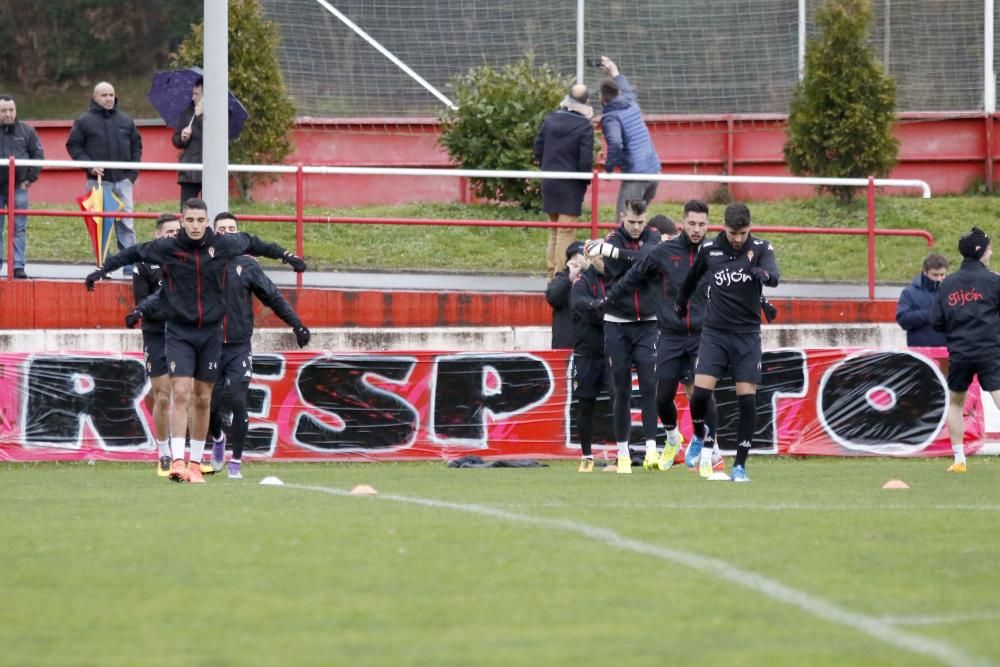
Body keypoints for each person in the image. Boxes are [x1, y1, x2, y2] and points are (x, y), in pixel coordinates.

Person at [85, 198, 307, 483]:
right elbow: (133, 253)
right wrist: (101, 270)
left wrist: (288, 257)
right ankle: (177, 461)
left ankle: (195, 463)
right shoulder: (169, 247)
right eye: (190, 220)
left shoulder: (223, 244)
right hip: (179, 331)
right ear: (182, 220)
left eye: (200, 220)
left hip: (212, 332)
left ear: (206, 221)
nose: (195, 226)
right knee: (180, 392)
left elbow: (255, 243)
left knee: (203, 398)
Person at [605, 200, 720, 475]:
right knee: (661, 397)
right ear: (683, 223)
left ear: (708, 225)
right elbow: (634, 274)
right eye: (692, 223)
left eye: (702, 224)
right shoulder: (664, 252)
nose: (696, 229)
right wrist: (607, 300)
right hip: (669, 334)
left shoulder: (715, 253)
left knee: (702, 393)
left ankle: (710, 454)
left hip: (702, 335)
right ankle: (671, 438)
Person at [676, 202, 779, 483]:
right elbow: (690, 280)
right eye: (733, 233)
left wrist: (765, 276)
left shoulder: (760, 248)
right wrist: (680, 303)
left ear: (750, 229)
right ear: (724, 227)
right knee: (699, 395)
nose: (737, 238)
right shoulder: (710, 251)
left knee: (747, 400)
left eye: (743, 233)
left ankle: (740, 466)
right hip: (715, 334)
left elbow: (774, 276)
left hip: (746, 336)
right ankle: (699, 436)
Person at [204, 211, 311, 479]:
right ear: (214, 233)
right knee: (209, 404)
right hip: (210, 344)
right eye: (222, 228)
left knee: (239, 401)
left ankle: (236, 462)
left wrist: (297, 325)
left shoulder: (248, 265)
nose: (227, 232)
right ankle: (217, 438)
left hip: (239, 346)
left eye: (232, 228)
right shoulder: (203, 263)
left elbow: (273, 297)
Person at [585, 198, 661, 473]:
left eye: (641, 222)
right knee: (621, 390)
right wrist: (620, 255)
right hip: (617, 322)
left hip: (648, 322)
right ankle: (623, 454)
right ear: (621, 218)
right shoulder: (611, 238)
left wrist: (612, 253)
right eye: (631, 222)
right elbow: (637, 268)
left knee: (650, 385)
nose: (637, 227)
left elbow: (650, 260)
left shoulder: (653, 235)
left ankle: (652, 450)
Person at [930, 228, 1000, 473]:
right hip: (990, 349)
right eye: (989, 247)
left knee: (956, 403)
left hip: (960, 351)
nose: (992, 251)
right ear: (980, 252)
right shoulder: (994, 280)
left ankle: (959, 460)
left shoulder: (947, 284)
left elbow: (936, 322)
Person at [66, 81, 142, 276]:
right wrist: (89, 166)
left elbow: (136, 146)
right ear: (94, 97)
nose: (109, 98)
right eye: (104, 95)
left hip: (123, 181)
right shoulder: (83, 121)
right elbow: (73, 146)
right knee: (101, 225)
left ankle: (129, 267)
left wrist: (132, 174)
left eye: (111, 94)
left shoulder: (126, 120)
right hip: (98, 182)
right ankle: (104, 267)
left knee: (126, 224)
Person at [125, 213, 181, 477]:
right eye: (168, 231)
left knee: (186, 394)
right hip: (157, 333)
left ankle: (187, 451)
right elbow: (143, 305)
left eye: (176, 231)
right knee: (163, 395)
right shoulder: (144, 264)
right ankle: (164, 452)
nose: (172, 235)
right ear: (157, 234)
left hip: (184, 333)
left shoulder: (189, 261)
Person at [534, 83, 594, 278]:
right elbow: (585, 160)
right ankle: (561, 275)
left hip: (550, 181)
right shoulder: (584, 126)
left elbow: (538, 148)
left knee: (554, 230)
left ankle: (552, 271)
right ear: (586, 101)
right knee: (566, 231)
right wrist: (585, 180)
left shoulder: (550, 119)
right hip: (570, 185)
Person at [598, 56, 661, 219]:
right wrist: (614, 70)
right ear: (618, 92)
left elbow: (616, 143)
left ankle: (622, 245)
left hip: (636, 175)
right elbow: (625, 88)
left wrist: (609, 169)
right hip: (653, 170)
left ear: (602, 98)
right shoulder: (630, 102)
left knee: (624, 221)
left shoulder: (611, 117)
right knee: (638, 220)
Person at [570, 252, 610, 472]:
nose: (607, 263)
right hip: (587, 352)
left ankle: (623, 453)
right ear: (592, 258)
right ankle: (586, 455)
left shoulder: (619, 278)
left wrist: (600, 307)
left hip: (613, 350)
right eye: (602, 258)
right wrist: (606, 306)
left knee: (620, 399)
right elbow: (584, 308)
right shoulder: (582, 282)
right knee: (586, 403)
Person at [0, 95, 44, 279]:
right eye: (3, 111)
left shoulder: (27, 131)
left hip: (19, 187)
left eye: (11, 110)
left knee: (19, 228)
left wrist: (29, 180)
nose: (8, 114)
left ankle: (18, 265)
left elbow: (38, 156)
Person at [897, 253, 949, 347]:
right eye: (935, 275)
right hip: (920, 352)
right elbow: (903, 319)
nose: (939, 279)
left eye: (942, 275)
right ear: (925, 272)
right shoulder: (909, 293)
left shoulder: (951, 291)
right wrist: (930, 314)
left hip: (947, 351)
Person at [545, 240, 586, 349]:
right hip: (565, 346)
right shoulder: (561, 279)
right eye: (576, 260)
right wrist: (570, 278)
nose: (579, 265)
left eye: (583, 259)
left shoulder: (595, 281)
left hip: (589, 348)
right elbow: (553, 298)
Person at [172, 79, 203, 208]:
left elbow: (218, 136)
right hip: (189, 171)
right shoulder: (186, 113)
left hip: (211, 170)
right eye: (193, 93)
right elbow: (175, 140)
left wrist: (201, 116)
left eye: (196, 94)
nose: (192, 97)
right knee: (186, 210)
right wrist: (183, 138)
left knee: (212, 210)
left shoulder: (220, 114)